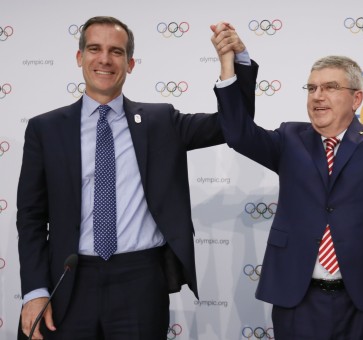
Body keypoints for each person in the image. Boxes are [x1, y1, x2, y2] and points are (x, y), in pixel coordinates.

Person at [16, 16, 258, 339]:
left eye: (116, 52)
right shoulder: (45, 129)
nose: (104, 59)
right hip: (69, 281)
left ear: (130, 64)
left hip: (141, 282)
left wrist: (234, 61)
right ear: (79, 58)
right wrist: (34, 291)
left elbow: (233, 126)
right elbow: (31, 218)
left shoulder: (161, 121)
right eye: (94, 49)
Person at [212, 23, 363, 339]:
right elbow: (238, 134)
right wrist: (230, 64)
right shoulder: (289, 138)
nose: (318, 97)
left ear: (356, 98)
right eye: (312, 88)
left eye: (330, 87)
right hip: (298, 298)